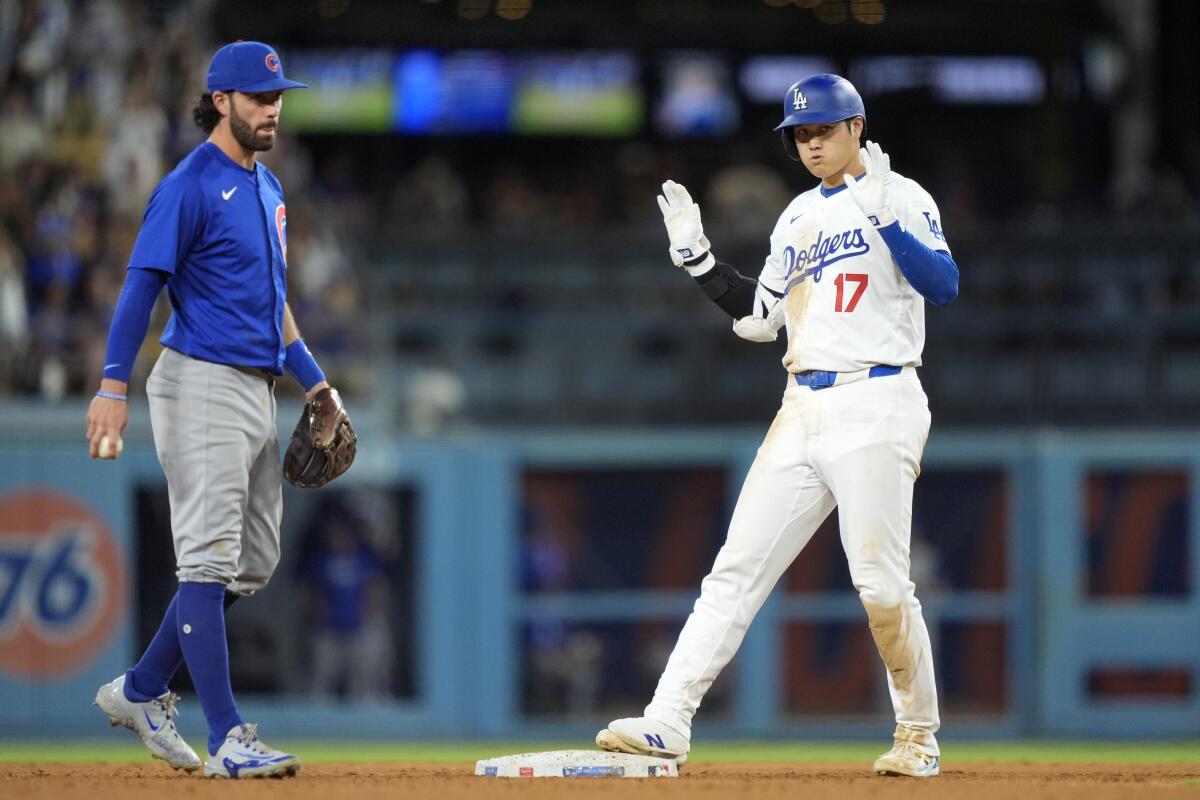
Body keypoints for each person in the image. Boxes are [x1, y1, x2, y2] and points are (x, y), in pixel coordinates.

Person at [596, 74, 958, 779]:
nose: (811, 142)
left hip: (878, 396)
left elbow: (943, 287)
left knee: (881, 586)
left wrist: (884, 215)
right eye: (800, 133)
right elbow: (761, 320)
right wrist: (699, 262)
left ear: (857, 125)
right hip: (802, 404)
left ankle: (917, 734)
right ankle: (668, 719)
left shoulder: (902, 194)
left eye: (823, 129)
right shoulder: (795, 215)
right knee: (733, 573)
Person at [87, 41, 345, 779]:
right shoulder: (189, 184)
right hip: (200, 380)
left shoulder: (266, 188)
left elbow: (275, 307)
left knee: (253, 562)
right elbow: (141, 287)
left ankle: (140, 689)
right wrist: (111, 387)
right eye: (258, 97)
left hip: (257, 384)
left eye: (277, 95)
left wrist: (317, 384)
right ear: (220, 101)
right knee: (207, 558)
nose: (273, 107)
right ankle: (229, 736)